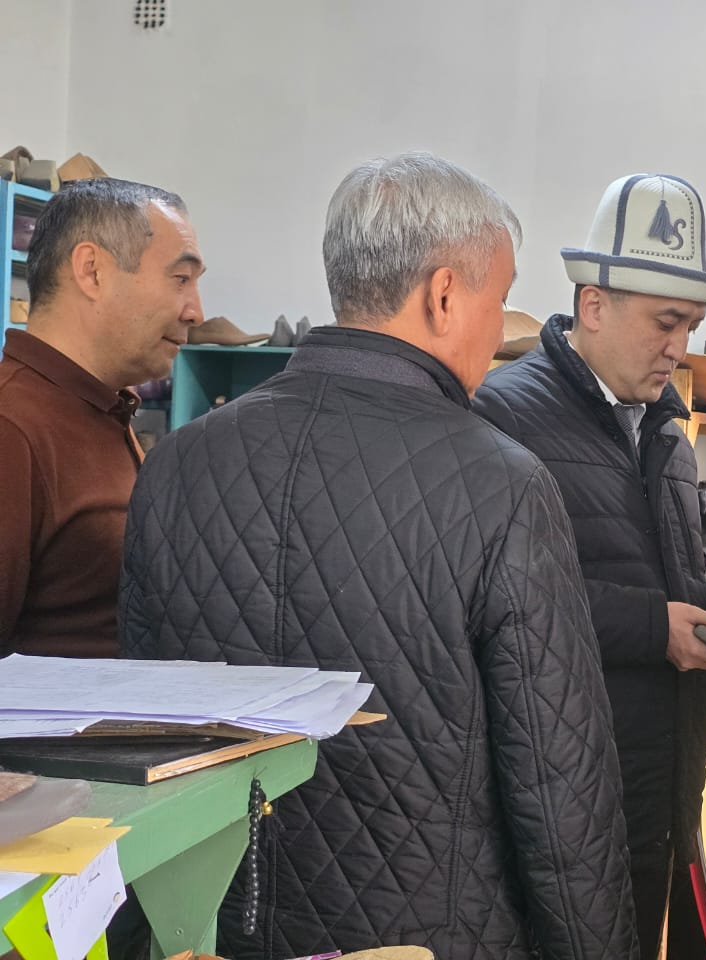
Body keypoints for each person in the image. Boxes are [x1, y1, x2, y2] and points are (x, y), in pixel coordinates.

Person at [120, 152, 638, 960]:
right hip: (428, 937)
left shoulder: (179, 462)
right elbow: (560, 784)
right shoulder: (501, 485)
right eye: (499, 301)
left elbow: (140, 746)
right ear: (443, 295)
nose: (501, 330)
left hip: (209, 930)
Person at [473, 173, 706, 960]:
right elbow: (491, 600)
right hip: (562, 793)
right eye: (665, 322)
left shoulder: (666, 434)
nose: (679, 346)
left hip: (658, 783)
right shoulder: (502, 417)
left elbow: (664, 579)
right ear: (593, 305)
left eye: (692, 325)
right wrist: (656, 629)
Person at [0, 177, 205, 656]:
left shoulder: (102, 408)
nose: (196, 311)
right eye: (180, 279)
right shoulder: (12, 428)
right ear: (92, 271)